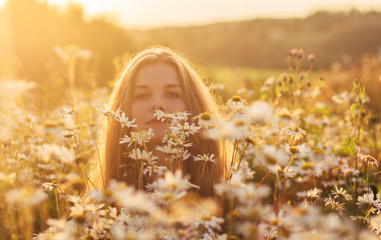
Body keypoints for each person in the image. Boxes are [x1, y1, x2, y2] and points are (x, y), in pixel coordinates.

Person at [87, 46, 229, 196]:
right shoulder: (98, 210)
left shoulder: (232, 202)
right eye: (142, 95)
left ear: (193, 105)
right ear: (123, 110)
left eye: (172, 94)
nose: (157, 104)